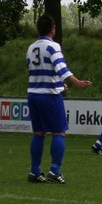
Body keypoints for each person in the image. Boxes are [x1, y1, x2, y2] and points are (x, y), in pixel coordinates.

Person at [26, 14, 92, 184]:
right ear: (53, 29)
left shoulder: (31, 47)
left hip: (33, 94)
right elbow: (61, 68)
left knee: (39, 133)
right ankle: (55, 171)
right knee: (59, 131)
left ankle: (34, 171)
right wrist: (76, 82)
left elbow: (37, 71)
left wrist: (60, 85)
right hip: (49, 96)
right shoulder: (53, 46)